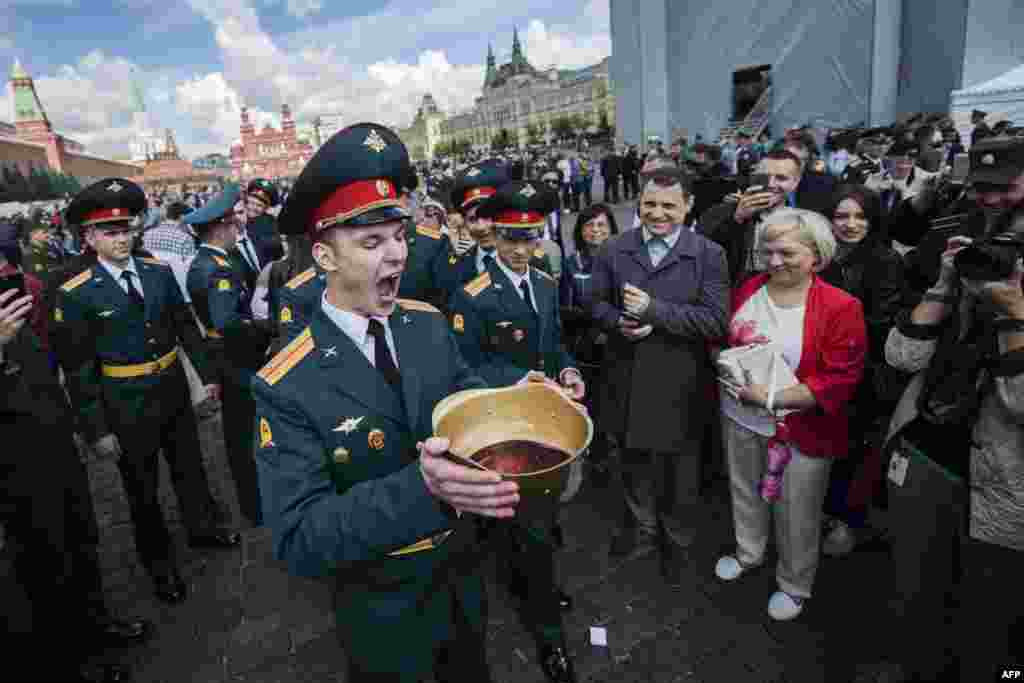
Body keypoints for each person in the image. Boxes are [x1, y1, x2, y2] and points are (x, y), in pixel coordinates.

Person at [254, 122, 518, 683]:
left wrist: (518, 400)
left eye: (398, 235)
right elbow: (299, 539)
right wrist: (422, 488)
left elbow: (466, 399)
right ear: (323, 256)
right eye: (371, 243)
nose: (396, 255)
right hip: (382, 607)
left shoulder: (427, 325)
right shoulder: (286, 382)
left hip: (464, 579)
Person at [54, 178, 239, 606]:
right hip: (125, 399)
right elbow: (78, 370)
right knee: (142, 490)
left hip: (171, 384)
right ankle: (159, 566)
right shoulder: (77, 293)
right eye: (110, 232)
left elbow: (184, 326)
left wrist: (206, 374)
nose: (121, 239)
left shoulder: (156, 271)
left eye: (126, 229)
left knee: (189, 466)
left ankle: (203, 527)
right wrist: (96, 429)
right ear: (90, 237)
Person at [881, 177, 1024, 680]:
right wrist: (946, 282)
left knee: (991, 623)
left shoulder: (1012, 305)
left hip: (1006, 486)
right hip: (931, 451)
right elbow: (901, 355)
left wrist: (1014, 318)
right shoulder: (967, 266)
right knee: (919, 588)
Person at [447, 178, 584, 683]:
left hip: (547, 423)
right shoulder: (473, 296)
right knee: (526, 527)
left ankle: (534, 581)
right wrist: (519, 380)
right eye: (510, 238)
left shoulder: (546, 284)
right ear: (494, 237)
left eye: (530, 238)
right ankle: (550, 637)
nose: (522, 249)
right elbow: (462, 369)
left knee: (538, 524)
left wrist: (569, 371)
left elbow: (557, 349)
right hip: (503, 428)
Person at [714, 209, 867, 621]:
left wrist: (771, 396)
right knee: (745, 489)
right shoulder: (749, 288)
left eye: (787, 252)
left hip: (801, 429)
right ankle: (749, 552)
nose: (774, 260)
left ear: (817, 255)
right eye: (767, 250)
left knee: (796, 510)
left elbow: (839, 379)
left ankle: (795, 584)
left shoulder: (841, 306)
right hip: (740, 417)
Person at [0, 285, 153, 683]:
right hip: (15, 469)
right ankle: (71, 660)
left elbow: (42, 375)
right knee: (44, 564)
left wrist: (70, 430)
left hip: (53, 448)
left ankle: (95, 626)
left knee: (80, 540)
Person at [588, 166, 730, 586]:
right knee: (632, 462)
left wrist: (655, 313)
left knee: (680, 472)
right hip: (627, 376)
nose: (657, 213)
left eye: (669, 205)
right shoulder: (614, 249)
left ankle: (677, 540)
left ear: (688, 206)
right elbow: (595, 303)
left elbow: (717, 322)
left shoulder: (708, 254)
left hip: (680, 382)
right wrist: (618, 323)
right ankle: (644, 530)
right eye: (649, 203)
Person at [817, 186, 906, 555]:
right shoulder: (819, 254)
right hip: (815, 368)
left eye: (859, 216)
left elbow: (878, 324)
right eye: (841, 216)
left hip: (860, 374)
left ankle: (845, 521)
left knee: (851, 453)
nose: (850, 224)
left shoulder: (885, 260)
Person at [185, 184, 274, 527]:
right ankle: (255, 506)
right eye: (234, 224)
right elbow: (228, 323)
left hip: (227, 357)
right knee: (243, 437)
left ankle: (254, 503)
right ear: (221, 226)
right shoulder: (218, 267)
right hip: (235, 359)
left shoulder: (208, 261)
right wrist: (263, 327)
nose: (239, 229)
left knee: (241, 434)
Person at [560, 204, 620, 478]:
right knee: (590, 403)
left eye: (602, 225)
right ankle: (594, 455)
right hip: (585, 348)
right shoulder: (572, 264)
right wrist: (595, 321)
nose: (596, 231)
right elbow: (564, 309)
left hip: (619, 346)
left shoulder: (624, 260)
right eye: (589, 225)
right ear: (580, 230)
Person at [700, 149, 810, 286]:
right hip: (734, 297)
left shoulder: (805, 220)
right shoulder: (720, 213)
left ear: (795, 182)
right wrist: (737, 219)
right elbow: (703, 256)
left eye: (781, 178)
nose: (771, 184)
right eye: (764, 177)